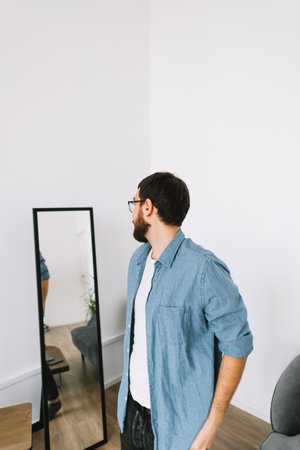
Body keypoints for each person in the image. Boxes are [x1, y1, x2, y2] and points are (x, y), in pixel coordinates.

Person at [117, 172, 253, 450]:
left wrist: (212, 424)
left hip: (178, 427)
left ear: (148, 207)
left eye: (134, 204)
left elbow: (238, 346)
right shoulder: (138, 262)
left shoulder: (205, 270)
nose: (132, 214)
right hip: (131, 411)